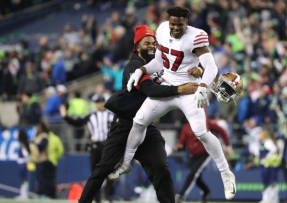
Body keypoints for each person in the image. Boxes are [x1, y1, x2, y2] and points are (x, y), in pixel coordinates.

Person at [115, 6, 236, 200]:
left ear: (186, 23)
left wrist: (204, 85)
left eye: (180, 24)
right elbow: (160, 62)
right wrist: (142, 70)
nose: (176, 28)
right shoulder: (162, 29)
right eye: (173, 24)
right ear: (168, 21)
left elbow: (211, 66)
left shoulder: (196, 36)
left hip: (189, 89)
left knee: (201, 132)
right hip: (168, 85)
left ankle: (226, 173)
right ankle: (126, 162)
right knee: (139, 120)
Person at [78, 24, 199, 203]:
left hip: (146, 127)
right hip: (125, 126)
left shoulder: (156, 65)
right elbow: (150, 89)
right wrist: (180, 89)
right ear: (137, 46)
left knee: (161, 169)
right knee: (102, 170)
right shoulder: (134, 66)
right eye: (147, 42)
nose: (152, 45)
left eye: (154, 42)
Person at [60, 96, 115, 203]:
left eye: (101, 102)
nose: (99, 104)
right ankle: (97, 199)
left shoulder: (111, 115)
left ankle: (109, 198)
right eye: (97, 102)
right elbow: (77, 122)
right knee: (95, 174)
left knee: (109, 173)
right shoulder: (91, 116)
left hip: (107, 146)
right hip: (95, 146)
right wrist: (65, 116)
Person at [174, 119, 233, 203]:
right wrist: (178, 146)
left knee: (193, 173)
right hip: (192, 155)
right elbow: (181, 142)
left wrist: (227, 145)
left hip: (205, 153)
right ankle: (206, 191)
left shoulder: (206, 122)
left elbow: (221, 130)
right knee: (196, 177)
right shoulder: (186, 127)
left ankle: (181, 196)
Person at [258, 129, 281, 203]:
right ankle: (267, 199)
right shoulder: (263, 142)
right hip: (265, 165)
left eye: (260, 134)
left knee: (271, 182)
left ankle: (272, 200)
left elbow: (274, 150)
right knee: (266, 182)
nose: (258, 136)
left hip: (269, 166)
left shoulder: (268, 142)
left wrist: (266, 158)